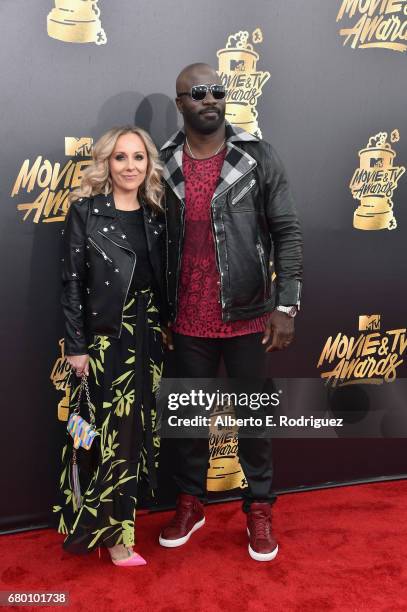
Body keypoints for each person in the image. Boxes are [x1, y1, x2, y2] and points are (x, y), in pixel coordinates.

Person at [159, 63, 303, 561]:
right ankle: (190, 502)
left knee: (255, 421)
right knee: (187, 421)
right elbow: (154, 244)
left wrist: (286, 305)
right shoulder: (163, 162)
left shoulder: (257, 156)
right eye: (197, 93)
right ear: (181, 104)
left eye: (217, 90)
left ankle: (259, 509)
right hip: (186, 319)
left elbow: (286, 230)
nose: (210, 99)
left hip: (247, 316)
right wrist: (159, 312)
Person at [53, 126, 166, 566]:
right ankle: (114, 538)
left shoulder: (156, 214)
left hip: (149, 341)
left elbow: (163, 282)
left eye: (139, 157)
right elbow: (71, 284)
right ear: (107, 163)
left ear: (149, 164)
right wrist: (77, 346)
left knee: (135, 438)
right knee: (107, 438)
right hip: (106, 343)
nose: (131, 166)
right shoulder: (85, 212)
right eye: (121, 157)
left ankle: (119, 524)